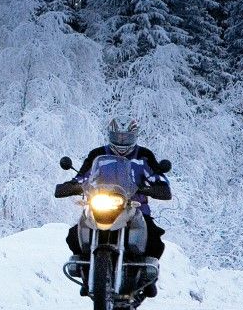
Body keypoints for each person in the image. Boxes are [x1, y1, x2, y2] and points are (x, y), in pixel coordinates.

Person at [57, 119, 170, 284]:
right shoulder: (97, 154)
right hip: (100, 206)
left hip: (133, 208)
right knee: (74, 235)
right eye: (118, 136)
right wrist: (73, 186)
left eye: (127, 137)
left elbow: (160, 182)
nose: (122, 141)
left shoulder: (144, 156)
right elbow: (83, 176)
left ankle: (145, 278)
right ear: (110, 135)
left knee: (154, 238)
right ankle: (86, 271)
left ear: (135, 136)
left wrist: (148, 188)